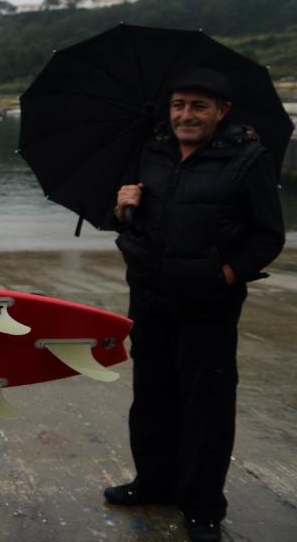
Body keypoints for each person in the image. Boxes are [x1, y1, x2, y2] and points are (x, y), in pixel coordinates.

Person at [105, 68, 285, 542]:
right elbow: (137, 224)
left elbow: (268, 236)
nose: (186, 115)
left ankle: (203, 504)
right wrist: (123, 208)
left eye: (198, 106)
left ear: (221, 112)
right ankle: (153, 482)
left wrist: (222, 275)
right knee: (152, 397)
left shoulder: (248, 160)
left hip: (209, 305)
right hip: (149, 297)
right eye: (179, 104)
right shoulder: (152, 152)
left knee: (206, 405)